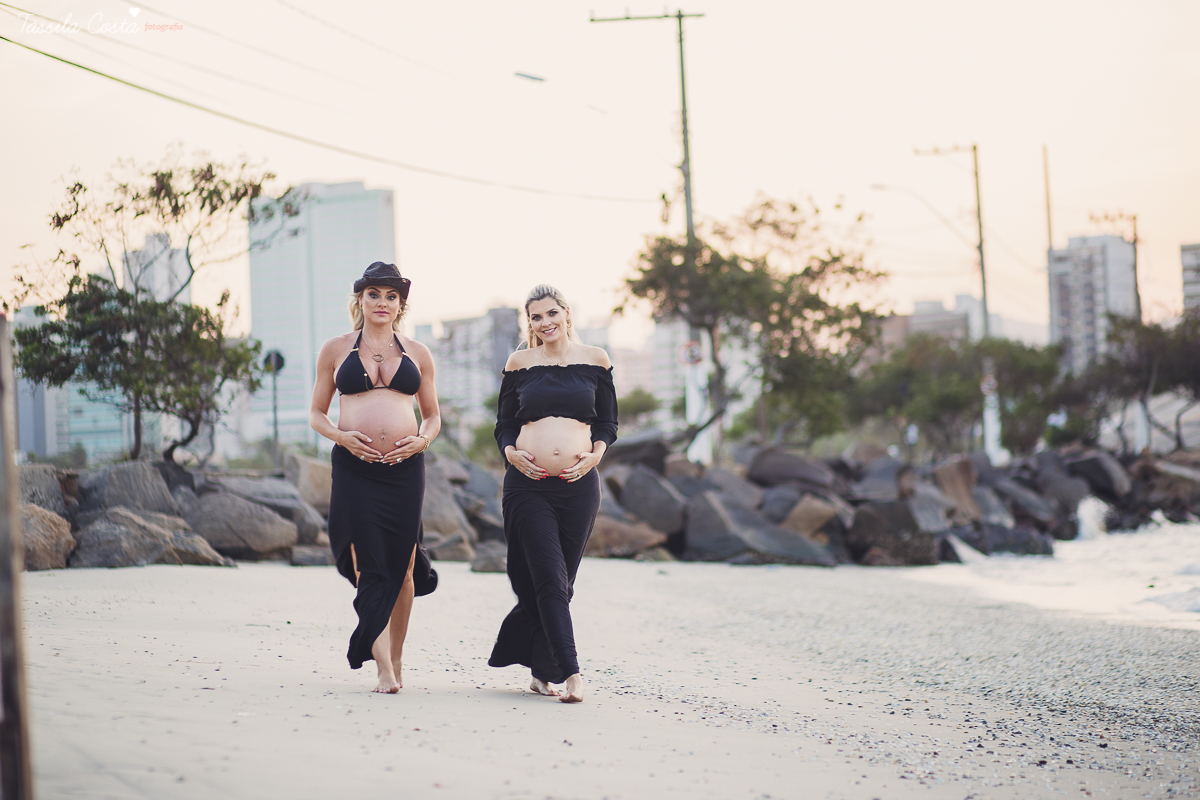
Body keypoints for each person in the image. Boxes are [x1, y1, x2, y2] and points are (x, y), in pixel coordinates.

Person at [310, 262, 441, 694]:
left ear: (400, 304)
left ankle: (398, 657)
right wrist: (342, 438)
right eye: (374, 294)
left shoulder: (419, 353)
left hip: (405, 470)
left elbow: (433, 416)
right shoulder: (336, 349)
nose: (381, 302)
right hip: (355, 468)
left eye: (390, 296)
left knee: (404, 567)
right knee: (368, 564)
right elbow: (317, 413)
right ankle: (382, 666)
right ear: (360, 300)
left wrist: (422, 441)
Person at [488, 284, 618, 704]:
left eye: (550, 314)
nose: (544, 323)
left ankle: (540, 671)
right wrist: (511, 453)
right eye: (535, 318)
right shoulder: (519, 362)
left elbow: (608, 424)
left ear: (566, 313)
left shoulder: (596, 359)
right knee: (546, 576)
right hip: (528, 484)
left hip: (578, 488)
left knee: (561, 583)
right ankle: (572, 673)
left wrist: (595, 456)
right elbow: (504, 423)